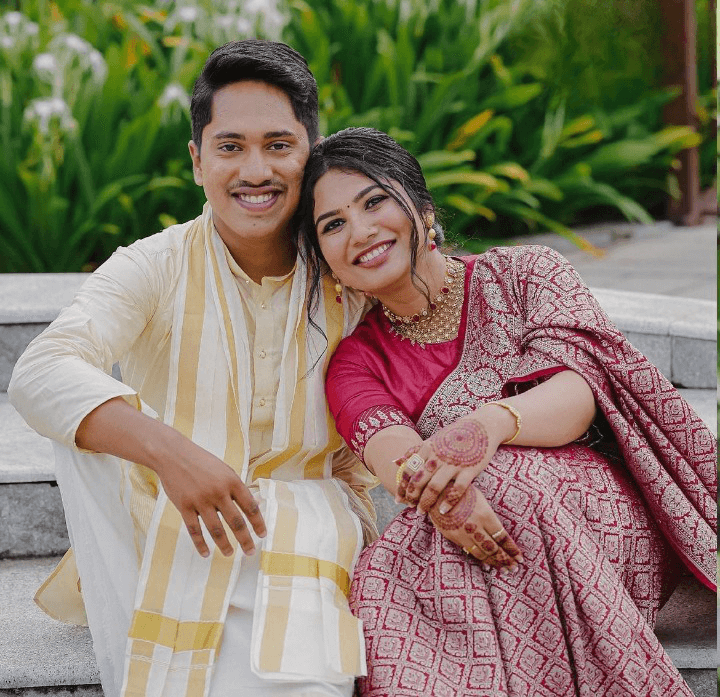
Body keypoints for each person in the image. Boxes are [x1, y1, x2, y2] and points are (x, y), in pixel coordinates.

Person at [8, 42, 378, 697]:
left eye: (278, 145)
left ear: (312, 151)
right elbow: (41, 371)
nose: (255, 170)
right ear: (197, 160)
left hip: (310, 530)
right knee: (81, 413)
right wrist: (173, 454)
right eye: (230, 146)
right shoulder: (155, 263)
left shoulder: (350, 270)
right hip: (170, 529)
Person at [297, 127, 717, 696]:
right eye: (334, 225)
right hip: (473, 529)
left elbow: (578, 395)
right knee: (382, 575)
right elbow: (401, 462)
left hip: (600, 518)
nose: (361, 231)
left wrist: (487, 425)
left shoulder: (526, 275)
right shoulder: (355, 363)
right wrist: (448, 493)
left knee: (507, 481)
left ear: (422, 210)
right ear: (327, 262)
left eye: (374, 202)